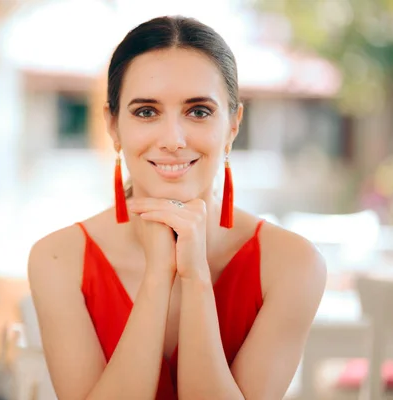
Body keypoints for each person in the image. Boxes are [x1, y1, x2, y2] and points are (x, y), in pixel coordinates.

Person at [28, 16, 326, 400]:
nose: (173, 139)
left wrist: (196, 278)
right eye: (146, 112)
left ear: (233, 125)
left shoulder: (293, 264)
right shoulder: (57, 259)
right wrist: (157, 278)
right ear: (113, 125)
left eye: (198, 111)